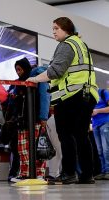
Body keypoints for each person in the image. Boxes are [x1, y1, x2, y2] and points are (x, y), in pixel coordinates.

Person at [27, 17, 99, 184]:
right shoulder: (80, 44)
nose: (53, 31)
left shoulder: (67, 45)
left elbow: (56, 71)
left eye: (56, 28)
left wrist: (35, 79)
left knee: (65, 135)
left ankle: (68, 173)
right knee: (81, 135)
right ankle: (87, 175)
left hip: (72, 96)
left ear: (66, 29)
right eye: (53, 28)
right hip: (87, 94)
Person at [8, 58, 50, 182]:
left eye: (20, 69)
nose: (18, 72)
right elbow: (15, 102)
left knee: (38, 149)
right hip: (22, 121)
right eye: (16, 70)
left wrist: (43, 117)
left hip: (36, 119)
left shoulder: (39, 78)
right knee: (22, 149)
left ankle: (39, 174)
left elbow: (45, 96)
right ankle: (25, 173)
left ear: (26, 68)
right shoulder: (18, 83)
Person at [91, 88, 109, 180]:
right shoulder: (89, 97)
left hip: (105, 123)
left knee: (106, 149)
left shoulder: (103, 92)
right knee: (99, 150)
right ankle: (103, 171)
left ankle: (108, 171)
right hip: (95, 125)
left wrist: (97, 111)